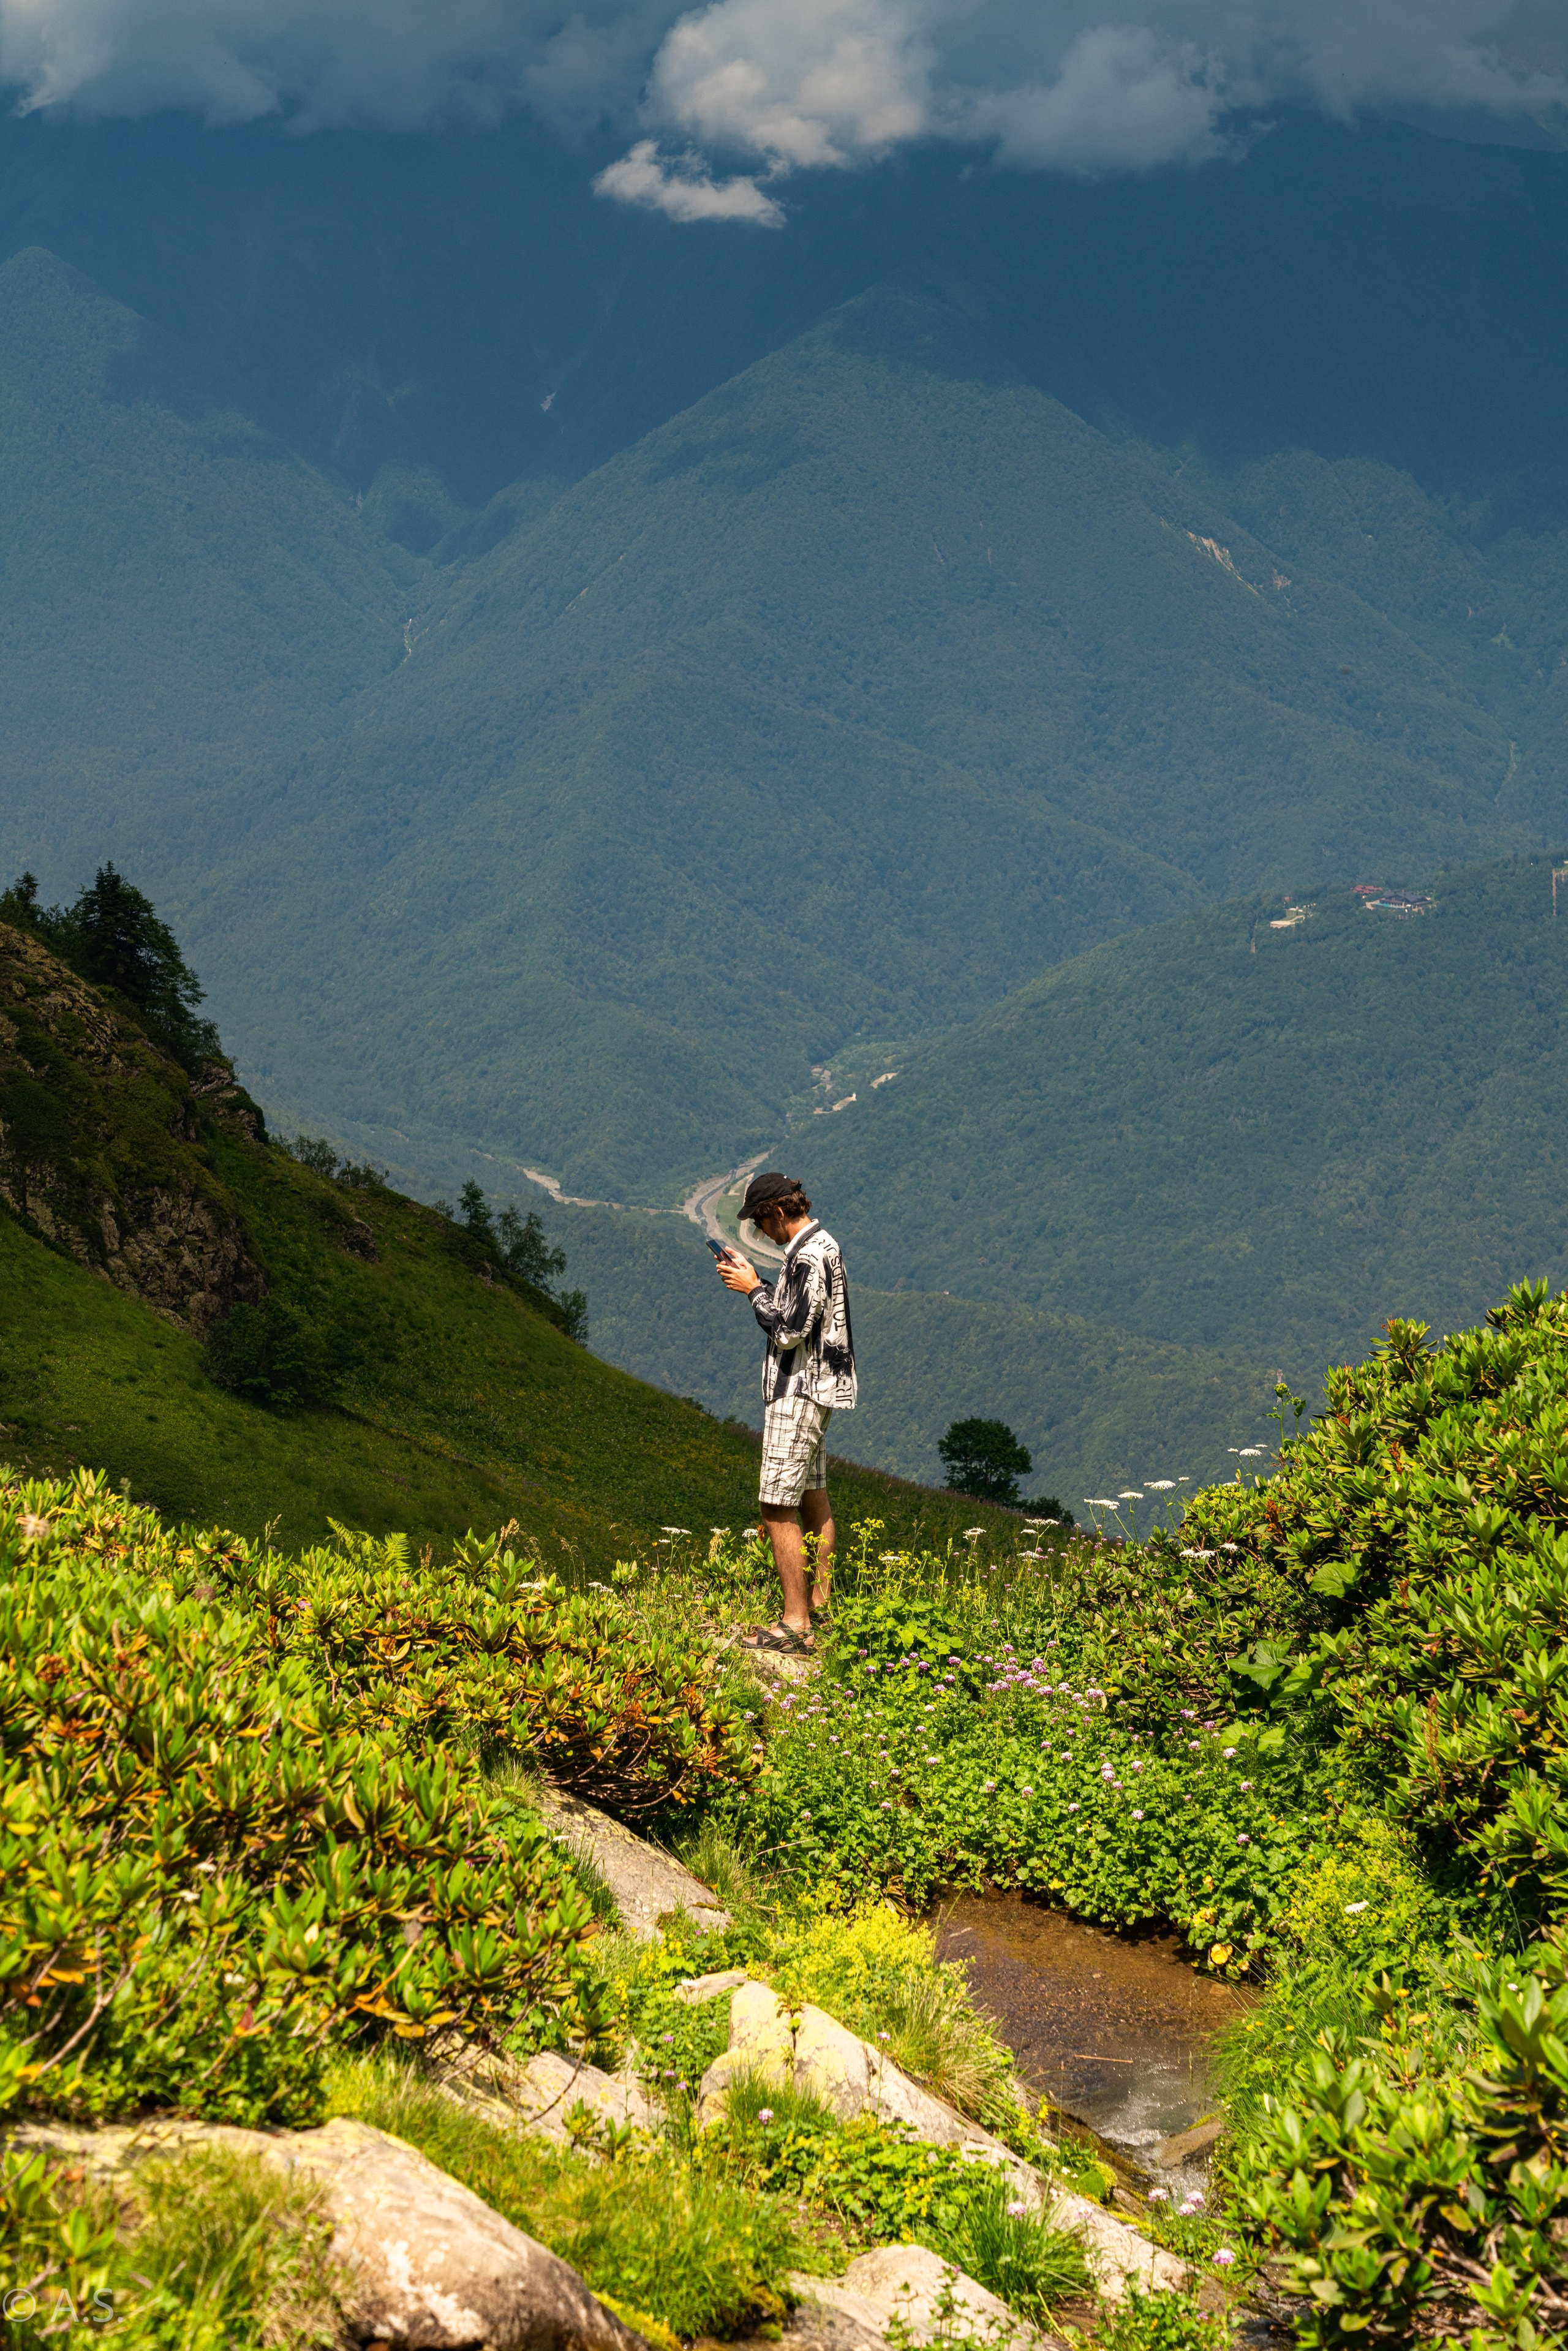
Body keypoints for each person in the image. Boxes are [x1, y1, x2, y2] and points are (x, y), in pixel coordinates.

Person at [714, 1171, 857, 1653]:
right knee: (814, 1497)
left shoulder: (808, 1256)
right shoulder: (822, 1247)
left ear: (777, 1211)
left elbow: (788, 1331)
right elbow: (802, 1311)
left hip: (799, 1390)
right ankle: (820, 1607)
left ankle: (796, 1623)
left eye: (759, 1220)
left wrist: (752, 1291)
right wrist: (762, 1281)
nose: (758, 1231)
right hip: (820, 1389)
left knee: (776, 1504)